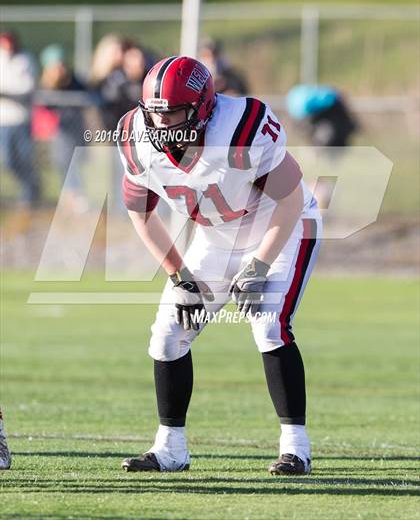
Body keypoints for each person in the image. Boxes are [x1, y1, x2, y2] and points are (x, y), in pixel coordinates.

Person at [117, 56, 321, 476]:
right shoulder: (135, 138)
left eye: (172, 112)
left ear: (204, 106)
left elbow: (291, 199)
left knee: (268, 325)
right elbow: (141, 215)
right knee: (168, 334)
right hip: (216, 235)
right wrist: (180, 276)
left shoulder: (241, 126)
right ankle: (171, 449)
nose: (161, 124)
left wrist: (260, 265)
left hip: (280, 226)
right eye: (153, 113)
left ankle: (296, 448)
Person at [286, 84, 358, 209]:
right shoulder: (309, 104)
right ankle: (321, 203)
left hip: (332, 138)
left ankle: (323, 204)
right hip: (330, 137)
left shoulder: (325, 109)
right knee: (321, 174)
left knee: (325, 174)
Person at [38, 44, 88, 212]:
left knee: (74, 164)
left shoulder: (73, 80)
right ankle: (73, 199)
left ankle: (73, 198)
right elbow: (46, 105)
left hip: (77, 128)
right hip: (60, 131)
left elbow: (84, 92)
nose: (59, 68)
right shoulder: (46, 85)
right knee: (65, 164)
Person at [0, 31, 40, 208]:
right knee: (8, 160)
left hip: (21, 119)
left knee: (24, 158)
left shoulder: (25, 60)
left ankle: (29, 194)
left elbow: (27, 88)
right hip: (3, 120)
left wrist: (7, 93)